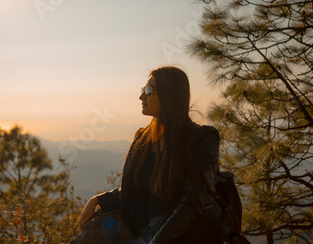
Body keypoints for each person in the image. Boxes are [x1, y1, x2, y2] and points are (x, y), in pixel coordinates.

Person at [77, 66, 228, 243]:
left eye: (149, 91)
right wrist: (99, 200)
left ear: (169, 95)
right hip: (144, 226)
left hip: (179, 233)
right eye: (143, 90)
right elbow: (136, 189)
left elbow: (193, 202)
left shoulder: (202, 138)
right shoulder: (143, 138)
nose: (141, 97)